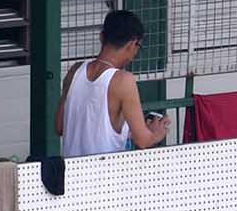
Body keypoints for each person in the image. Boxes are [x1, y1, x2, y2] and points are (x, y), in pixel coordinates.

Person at [60, 9, 167, 156]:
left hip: (71, 174)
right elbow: (143, 140)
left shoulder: (75, 71)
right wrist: (157, 133)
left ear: (101, 37)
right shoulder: (123, 81)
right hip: (106, 175)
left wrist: (124, 131)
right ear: (132, 44)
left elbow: (60, 126)